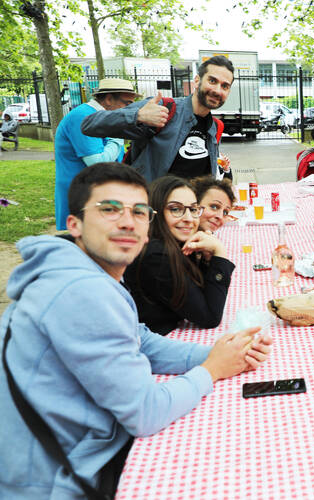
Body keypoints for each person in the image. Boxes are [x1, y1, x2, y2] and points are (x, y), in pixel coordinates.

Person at [0, 163, 271, 498]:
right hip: (58, 480)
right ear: (75, 224)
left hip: (80, 448)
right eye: (109, 209)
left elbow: (140, 339)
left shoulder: (89, 271)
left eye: (139, 211)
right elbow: (145, 412)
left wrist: (221, 354)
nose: (128, 222)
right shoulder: (80, 292)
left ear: (148, 227)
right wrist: (212, 369)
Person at [81, 56, 235, 182]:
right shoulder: (164, 108)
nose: (217, 90)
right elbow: (89, 125)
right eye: (212, 81)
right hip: (154, 208)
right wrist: (138, 116)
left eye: (225, 86)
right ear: (197, 81)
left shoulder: (214, 127)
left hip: (192, 209)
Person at [124, 176, 235, 335]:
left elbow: (201, 295)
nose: (189, 219)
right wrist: (220, 254)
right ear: (155, 211)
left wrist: (207, 259)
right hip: (148, 342)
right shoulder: (156, 256)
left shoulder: (176, 244)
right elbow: (209, 317)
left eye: (193, 209)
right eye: (175, 209)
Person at [54, 78, 138, 229]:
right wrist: (117, 136)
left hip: (96, 190)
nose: (129, 110)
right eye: (127, 104)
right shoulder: (83, 116)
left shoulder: (99, 116)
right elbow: (97, 163)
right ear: (109, 99)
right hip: (83, 194)